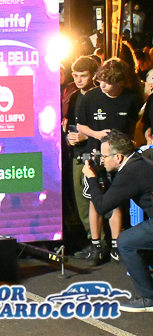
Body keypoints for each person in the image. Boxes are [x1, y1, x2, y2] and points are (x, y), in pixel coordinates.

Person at [75, 58, 143, 265]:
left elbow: (136, 124)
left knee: (117, 201)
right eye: (100, 81)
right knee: (94, 200)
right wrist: (97, 134)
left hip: (120, 159)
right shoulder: (91, 97)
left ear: (120, 82)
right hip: (96, 156)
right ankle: (96, 245)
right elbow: (81, 126)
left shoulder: (131, 98)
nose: (102, 85)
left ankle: (116, 246)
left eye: (107, 82)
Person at [84, 131, 153, 312]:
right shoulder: (140, 160)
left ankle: (148, 298)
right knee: (139, 240)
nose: (102, 160)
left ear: (118, 157)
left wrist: (91, 179)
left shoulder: (129, 173)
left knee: (126, 242)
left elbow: (101, 206)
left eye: (104, 156)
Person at [63, 56, 99, 252]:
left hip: (95, 151)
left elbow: (106, 126)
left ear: (93, 75)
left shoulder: (99, 96)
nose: (78, 80)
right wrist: (69, 137)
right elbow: (70, 123)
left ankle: (100, 238)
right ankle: (91, 236)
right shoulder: (75, 96)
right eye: (75, 75)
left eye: (83, 75)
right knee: (80, 196)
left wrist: (86, 136)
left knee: (95, 194)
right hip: (77, 151)